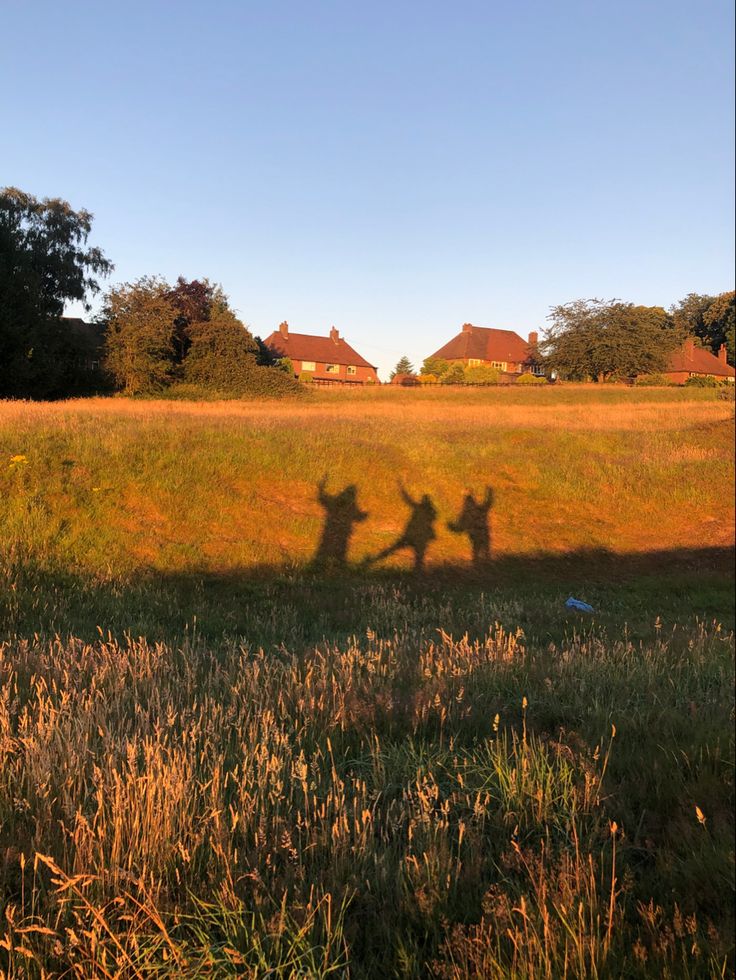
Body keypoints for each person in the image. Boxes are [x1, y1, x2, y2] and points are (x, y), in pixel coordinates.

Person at [366, 482, 437, 572]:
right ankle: (417, 575)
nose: (422, 501)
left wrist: (401, 488)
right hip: (418, 538)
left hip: (413, 537)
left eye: (424, 500)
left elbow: (408, 500)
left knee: (394, 550)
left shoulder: (420, 509)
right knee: (417, 559)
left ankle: (372, 560)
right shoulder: (430, 512)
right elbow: (408, 500)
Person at [312, 476, 368, 568]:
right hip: (342, 535)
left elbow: (322, 499)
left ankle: (321, 566)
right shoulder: (351, 506)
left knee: (325, 549)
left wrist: (321, 489)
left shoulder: (334, 503)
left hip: (330, 533)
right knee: (340, 550)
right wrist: (365, 515)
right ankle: (337, 566)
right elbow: (359, 518)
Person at [448, 487, 494, 564]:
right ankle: (486, 569)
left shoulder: (466, 512)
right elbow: (488, 504)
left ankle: (477, 569)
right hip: (484, 533)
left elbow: (460, 526)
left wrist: (452, 527)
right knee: (486, 553)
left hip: (475, 534)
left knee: (476, 553)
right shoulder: (479, 509)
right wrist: (490, 494)